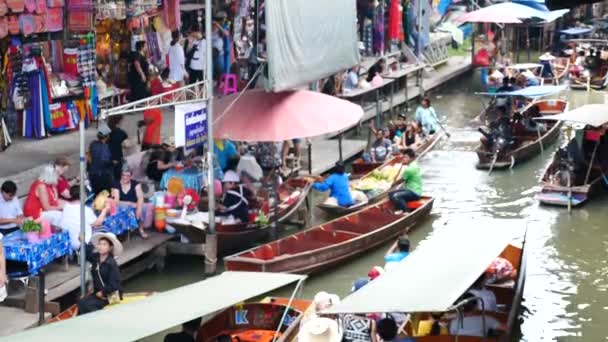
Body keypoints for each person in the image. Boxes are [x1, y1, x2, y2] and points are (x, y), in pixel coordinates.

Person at [78, 233, 123, 315]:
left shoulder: (112, 264)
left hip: (110, 295)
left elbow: (114, 284)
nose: (101, 246)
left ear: (110, 248)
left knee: (88, 305)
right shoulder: (96, 258)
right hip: (98, 292)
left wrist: (103, 292)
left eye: (104, 244)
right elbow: (86, 254)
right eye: (100, 244)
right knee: (81, 302)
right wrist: (82, 241)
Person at [59, 185, 110, 254]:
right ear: (81, 195)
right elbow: (97, 223)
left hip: (70, 242)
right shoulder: (85, 210)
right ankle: (105, 253)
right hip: (83, 242)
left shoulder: (66, 208)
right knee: (104, 229)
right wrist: (105, 210)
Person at [112, 167, 153, 238]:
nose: (125, 177)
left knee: (142, 208)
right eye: (123, 175)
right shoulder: (116, 184)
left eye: (127, 175)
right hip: (121, 206)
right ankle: (121, 232)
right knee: (125, 210)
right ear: (121, 175)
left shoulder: (136, 184)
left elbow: (140, 197)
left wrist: (139, 208)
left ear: (131, 176)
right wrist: (130, 204)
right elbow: (116, 201)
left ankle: (141, 230)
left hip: (135, 206)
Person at [388, 149, 422, 215]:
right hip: (409, 189)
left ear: (411, 158)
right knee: (390, 194)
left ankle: (406, 211)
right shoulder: (413, 164)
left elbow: (401, 180)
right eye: (403, 157)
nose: (404, 159)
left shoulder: (410, 168)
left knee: (396, 196)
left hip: (414, 192)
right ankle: (399, 208)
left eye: (405, 157)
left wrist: (391, 184)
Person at [89, 124, 114, 195]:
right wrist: (113, 163)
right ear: (107, 136)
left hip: (93, 174)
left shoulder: (93, 144)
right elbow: (105, 161)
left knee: (96, 195)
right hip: (103, 176)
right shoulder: (105, 148)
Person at [108, 115, 129, 181]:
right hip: (117, 157)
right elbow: (126, 145)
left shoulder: (106, 131)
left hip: (106, 157)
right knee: (117, 177)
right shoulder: (122, 133)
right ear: (119, 121)